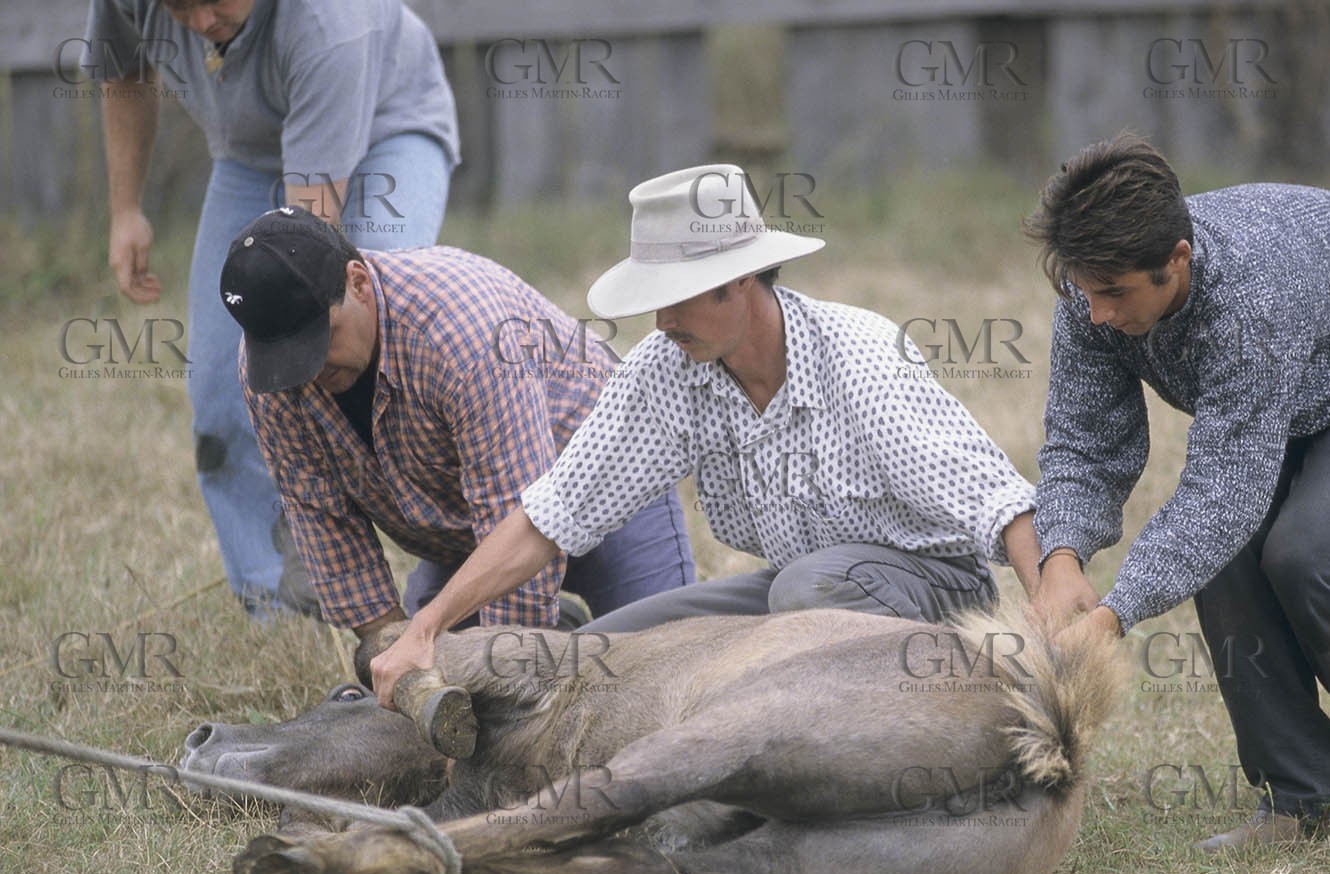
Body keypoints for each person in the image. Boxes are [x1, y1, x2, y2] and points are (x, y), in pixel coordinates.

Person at [369, 162, 1044, 705]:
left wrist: (1050, 629)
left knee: (805, 589)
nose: (662, 319)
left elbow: (999, 501)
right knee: (587, 663)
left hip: (932, 593)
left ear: (741, 279)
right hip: (797, 593)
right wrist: (427, 627)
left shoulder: (861, 356)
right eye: (656, 298)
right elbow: (556, 510)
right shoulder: (670, 367)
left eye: (681, 294)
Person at [1025, 134, 1330, 852]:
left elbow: (1221, 499)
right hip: (1292, 381)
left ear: (1179, 259)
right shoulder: (1091, 294)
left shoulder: (1247, 305)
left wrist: (1111, 617)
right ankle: (1302, 799)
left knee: (1306, 550)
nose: (1098, 313)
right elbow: (1086, 441)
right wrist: (1062, 557)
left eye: (1114, 293)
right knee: (1226, 562)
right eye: (1085, 290)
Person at [87, 0, 460, 617]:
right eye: (181, 7)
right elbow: (125, 71)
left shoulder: (328, 25)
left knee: (371, 332)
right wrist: (125, 210)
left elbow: (302, 258)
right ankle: (276, 602)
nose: (204, 21)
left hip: (389, 129)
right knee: (216, 382)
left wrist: (305, 445)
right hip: (252, 153)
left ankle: (447, 568)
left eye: (216, 0)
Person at [219, 206, 696, 640]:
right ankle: (562, 633)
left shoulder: (461, 332)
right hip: (471, 537)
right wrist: (389, 648)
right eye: (288, 354)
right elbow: (320, 513)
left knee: (663, 661)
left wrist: (509, 663)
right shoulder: (271, 372)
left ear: (359, 283)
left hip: (610, 498)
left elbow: (520, 520)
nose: (309, 367)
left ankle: (562, 636)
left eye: (320, 337)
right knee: (440, 681)